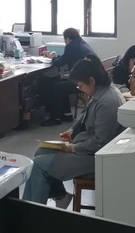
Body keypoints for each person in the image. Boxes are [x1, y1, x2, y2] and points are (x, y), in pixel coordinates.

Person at [23, 54, 125, 207]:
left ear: (91, 80)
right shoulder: (101, 91)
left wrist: (73, 148)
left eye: (80, 85)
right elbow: (85, 118)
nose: (80, 89)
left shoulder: (108, 102)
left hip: (97, 159)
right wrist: (72, 132)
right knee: (41, 150)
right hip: (89, 150)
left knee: (38, 164)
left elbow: (99, 142)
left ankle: (33, 211)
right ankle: (60, 196)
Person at [41, 27, 95, 126]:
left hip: (82, 82)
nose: (65, 41)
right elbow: (66, 58)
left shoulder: (71, 47)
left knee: (57, 86)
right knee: (60, 83)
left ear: (68, 38)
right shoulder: (81, 43)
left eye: (64, 39)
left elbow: (58, 63)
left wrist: (53, 57)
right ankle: (67, 114)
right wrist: (55, 57)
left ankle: (55, 118)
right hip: (89, 79)